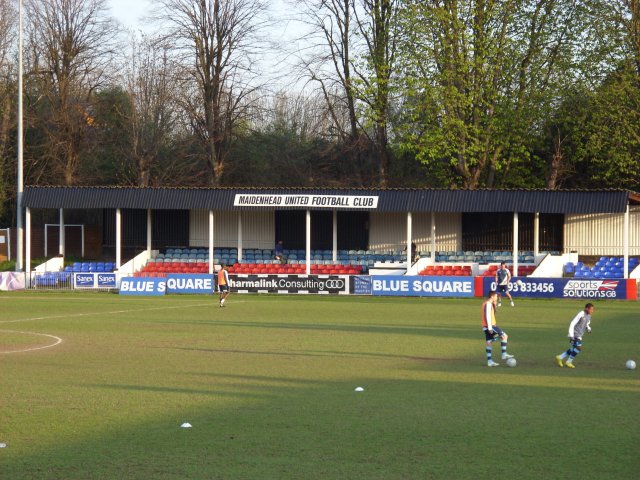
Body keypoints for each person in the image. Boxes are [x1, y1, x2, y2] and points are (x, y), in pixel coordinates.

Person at [555, 303, 594, 368]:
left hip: (579, 334)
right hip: (575, 334)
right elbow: (572, 323)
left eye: (593, 309)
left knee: (573, 348)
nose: (592, 311)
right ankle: (568, 362)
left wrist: (588, 328)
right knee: (578, 348)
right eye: (591, 309)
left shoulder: (589, 316)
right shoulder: (581, 314)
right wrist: (571, 335)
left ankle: (560, 357)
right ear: (586, 308)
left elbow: (587, 324)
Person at [481, 290, 514, 367]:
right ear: (492, 296)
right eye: (496, 296)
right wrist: (490, 327)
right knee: (504, 336)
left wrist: (495, 306)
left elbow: (492, 314)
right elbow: (487, 316)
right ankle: (504, 354)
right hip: (490, 326)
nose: (497, 297)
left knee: (489, 342)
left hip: (487, 326)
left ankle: (489, 361)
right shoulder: (488, 304)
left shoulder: (488, 304)